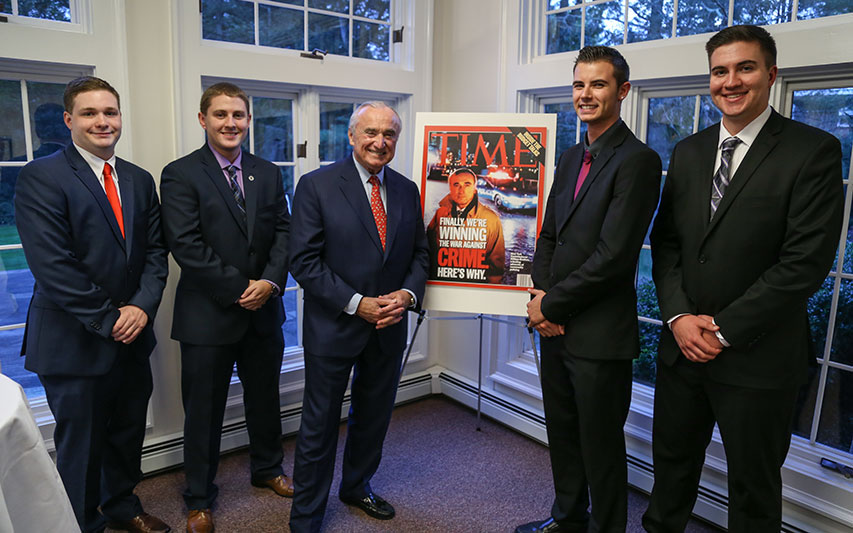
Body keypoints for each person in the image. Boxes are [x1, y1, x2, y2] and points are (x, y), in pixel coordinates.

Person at [643, 25, 843, 533]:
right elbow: (666, 245)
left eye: (745, 68)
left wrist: (723, 328)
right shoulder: (688, 153)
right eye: (719, 71)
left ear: (771, 75)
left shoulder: (812, 151)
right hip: (682, 350)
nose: (730, 81)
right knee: (670, 472)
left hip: (758, 357)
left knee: (753, 490)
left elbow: (804, 263)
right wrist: (679, 317)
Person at [14, 76, 170, 533]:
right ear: (69, 120)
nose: (102, 122)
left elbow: (156, 253)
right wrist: (110, 319)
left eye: (110, 112)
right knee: (80, 445)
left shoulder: (139, 180)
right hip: (73, 341)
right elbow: (52, 264)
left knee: (126, 434)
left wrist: (140, 308)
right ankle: (80, 524)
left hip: (133, 336)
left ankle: (122, 505)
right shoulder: (42, 176)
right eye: (89, 113)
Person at [521, 46, 662, 533]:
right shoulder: (569, 155)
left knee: (600, 446)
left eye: (598, 84)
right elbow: (548, 236)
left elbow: (614, 257)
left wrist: (552, 305)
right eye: (579, 84)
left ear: (622, 91)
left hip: (600, 336)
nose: (586, 94)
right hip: (555, 328)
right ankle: (567, 519)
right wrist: (542, 302)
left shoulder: (639, 161)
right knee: (562, 434)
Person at [288, 101, 429, 533]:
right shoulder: (316, 185)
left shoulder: (406, 190)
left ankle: (357, 486)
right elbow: (304, 261)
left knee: (374, 415)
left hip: (389, 327)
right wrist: (356, 303)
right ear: (351, 136)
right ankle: (307, 514)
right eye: (370, 132)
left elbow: (420, 255)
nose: (379, 142)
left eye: (388, 134)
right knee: (320, 423)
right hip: (335, 326)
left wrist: (406, 295)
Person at [159, 82, 292, 533]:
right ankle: (199, 496)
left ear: (249, 121)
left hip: (264, 311)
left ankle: (268, 469)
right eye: (220, 115)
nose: (230, 123)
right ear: (203, 120)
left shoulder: (268, 172)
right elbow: (186, 245)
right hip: (208, 315)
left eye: (238, 115)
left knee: (264, 399)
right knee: (204, 410)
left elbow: (284, 234)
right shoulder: (180, 173)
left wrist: (270, 283)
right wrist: (241, 288)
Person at [426, 167, 506, 284]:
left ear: (474, 189)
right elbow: (428, 250)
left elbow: (496, 265)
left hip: (477, 289)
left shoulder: (491, 219)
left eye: (467, 184)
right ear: (450, 188)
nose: (461, 190)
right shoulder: (440, 213)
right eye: (456, 184)